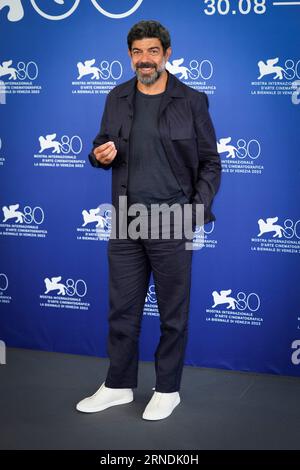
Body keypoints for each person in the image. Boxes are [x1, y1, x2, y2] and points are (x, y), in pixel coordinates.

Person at [76, 20, 221, 420]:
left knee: (173, 314)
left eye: (152, 51)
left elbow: (211, 162)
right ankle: (119, 385)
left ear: (167, 53)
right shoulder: (116, 96)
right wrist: (98, 155)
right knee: (122, 309)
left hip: (173, 220)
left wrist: (196, 208)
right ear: (130, 55)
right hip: (126, 220)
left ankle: (167, 389)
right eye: (137, 52)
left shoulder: (191, 100)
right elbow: (103, 145)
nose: (145, 60)